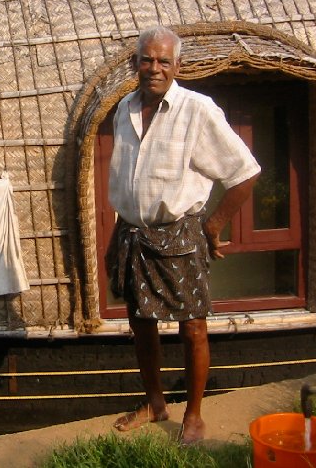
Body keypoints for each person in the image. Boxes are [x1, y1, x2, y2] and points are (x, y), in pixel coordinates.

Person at [107, 25, 260, 444]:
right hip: (131, 234)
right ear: (134, 63)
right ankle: (155, 404)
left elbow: (244, 174)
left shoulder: (198, 110)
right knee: (140, 322)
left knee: (192, 327)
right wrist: (116, 235)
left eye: (163, 61)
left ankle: (193, 414)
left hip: (178, 235)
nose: (153, 68)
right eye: (146, 59)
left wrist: (214, 224)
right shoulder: (124, 109)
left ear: (177, 66)